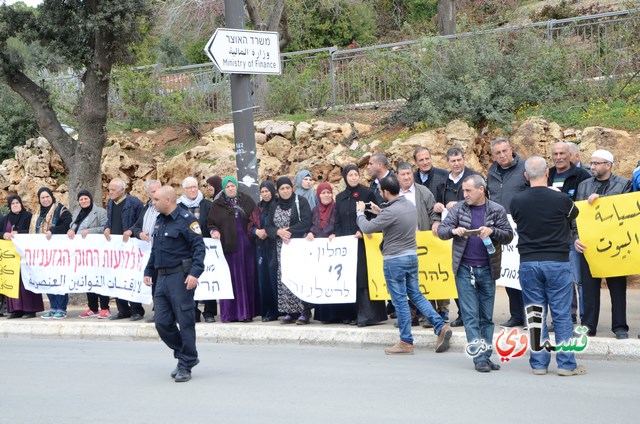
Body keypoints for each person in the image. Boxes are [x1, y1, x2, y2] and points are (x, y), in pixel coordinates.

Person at [356, 174, 452, 355]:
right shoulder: (408, 205)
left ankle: (406, 341)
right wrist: (380, 212)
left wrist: (360, 212)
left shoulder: (391, 211)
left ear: (385, 192)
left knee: (400, 301)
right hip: (411, 257)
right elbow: (393, 217)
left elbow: (367, 227)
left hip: (394, 260)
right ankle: (440, 326)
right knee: (416, 295)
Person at [510, 156, 585, 376]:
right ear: (547, 174)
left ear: (526, 176)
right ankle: (566, 364)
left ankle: (539, 364)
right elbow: (575, 214)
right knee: (561, 314)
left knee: (535, 314)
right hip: (557, 261)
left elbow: (516, 219)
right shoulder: (560, 199)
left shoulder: (517, 200)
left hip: (529, 262)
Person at [438, 175, 513, 372]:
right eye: (464, 191)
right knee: (471, 316)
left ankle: (485, 356)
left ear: (481, 189)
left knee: (486, 317)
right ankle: (478, 357)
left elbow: (508, 236)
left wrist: (492, 231)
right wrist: (454, 231)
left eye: (469, 191)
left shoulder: (496, 209)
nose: (465, 194)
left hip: (488, 269)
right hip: (464, 269)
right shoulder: (459, 208)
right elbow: (442, 231)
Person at [144, 186, 205, 383]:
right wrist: (148, 271)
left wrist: (195, 273)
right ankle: (186, 354)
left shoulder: (187, 220)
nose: (153, 203)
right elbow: (155, 250)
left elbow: (199, 248)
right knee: (162, 322)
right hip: (161, 278)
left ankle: (185, 363)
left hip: (180, 277)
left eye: (155, 200)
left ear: (168, 200)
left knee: (185, 321)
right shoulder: (160, 220)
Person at [575, 149, 633, 339]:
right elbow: (576, 216)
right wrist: (576, 238)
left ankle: (620, 327)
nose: (592, 166)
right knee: (589, 288)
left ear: (608, 165)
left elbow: (626, 211)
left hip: (616, 246)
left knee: (617, 288)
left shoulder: (625, 185)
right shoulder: (583, 186)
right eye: (591, 163)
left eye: (596, 163)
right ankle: (589, 326)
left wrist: (602, 202)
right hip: (589, 246)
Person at [334, 164, 387, 327]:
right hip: (347, 244)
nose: (353, 178)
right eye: (350, 175)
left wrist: (362, 231)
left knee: (363, 277)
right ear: (345, 178)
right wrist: (338, 237)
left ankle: (369, 315)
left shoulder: (367, 193)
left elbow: (377, 217)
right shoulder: (340, 197)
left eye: (356, 175)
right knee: (351, 277)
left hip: (364, 242)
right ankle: (352, 314)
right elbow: (338, 220)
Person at [434, 147, 481, 327]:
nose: (457, 163)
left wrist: (459, 203)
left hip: (471, 230)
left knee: (473, 275)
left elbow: (483, 200)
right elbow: (438, 204)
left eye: (459, 160)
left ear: (464, 159)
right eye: (453, 161)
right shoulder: (444, 182)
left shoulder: (473, 177)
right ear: (448, 162)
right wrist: (438, 209)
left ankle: (476, 314)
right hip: (451, 233)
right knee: (457, 275)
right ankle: (463, 312)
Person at [397, 161, 446, 326]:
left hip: (424, 242)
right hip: (403, 243)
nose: (406, 177)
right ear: (397, 177)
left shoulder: (423, 191)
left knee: (428, 278)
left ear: (413, 174)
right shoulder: (394, 194)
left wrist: (436, 222)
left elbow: (434, 211)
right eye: (403, 174)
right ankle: (410, 316)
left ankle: (431, 314)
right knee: (406, 280)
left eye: (409, 174)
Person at [486, 137, 528, 328]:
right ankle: (516, 314)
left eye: (505, 151)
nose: (502, 155)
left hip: (523, 227)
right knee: (509, 271)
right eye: (498, 153)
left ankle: (530, 315)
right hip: (501, 228)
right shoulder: (492, 171)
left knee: (525, 273)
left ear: (511, 149)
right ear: (493, 155)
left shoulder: (525, 168)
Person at [548, 141, 591, 325]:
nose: (559, 157)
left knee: (578, 279)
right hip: (552, 236)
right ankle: (568, 316)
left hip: (574, 234)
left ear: (570, 154)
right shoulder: (547, 174)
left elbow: (584, 204)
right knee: (560, 280)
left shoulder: (581, 175)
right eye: (555, 154)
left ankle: (586, 319)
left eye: (562, 153)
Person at [207, 176, 259, 323]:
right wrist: (214, 231)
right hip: (228, 247)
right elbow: (211, 223)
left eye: (232, 186)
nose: (230, 188)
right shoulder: (217, 205)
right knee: (230, 280)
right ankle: (230, 314)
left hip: (247, 247)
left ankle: (246, 313)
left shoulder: (246, 200)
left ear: (236, 186)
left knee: (246, 278)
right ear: (224, 188)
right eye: (228, 186)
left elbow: (255, 218)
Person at [265, 176, 312, 324]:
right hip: (281, 247)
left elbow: (306, 221)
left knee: (299, 276)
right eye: (282, 189)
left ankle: (304, 310)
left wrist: (289, 231)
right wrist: (278, 232)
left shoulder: (301, 202)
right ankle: (290, 311)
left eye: (287, 188)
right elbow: (268, 226)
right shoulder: (275, 205)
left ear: (292, 188)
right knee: (284, 277)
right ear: (278, 191)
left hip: (297, 245)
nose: (285, 191)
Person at [104, 178, 144, 321]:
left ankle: (136, 310)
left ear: (122, 190)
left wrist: (131, 231)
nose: (110, 192)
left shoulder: (135, 203)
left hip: (130, 248)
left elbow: (141, 221)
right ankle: (123, 309)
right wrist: (106, 228)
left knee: (130, 278)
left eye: (113, 190)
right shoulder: (110, 203)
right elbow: (109, 220)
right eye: (109, 189)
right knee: (117, 279)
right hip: (115, 248)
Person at [178, 177, 216, 323]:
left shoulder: (207, 205)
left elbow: (213, 223)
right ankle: (193, 311)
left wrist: (214, 232)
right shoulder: (179, 206)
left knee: (208, 279)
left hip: (207, 249)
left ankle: (210, 312)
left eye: (195, 187)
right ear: (184, 190)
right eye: (189, 188)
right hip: (186, 250)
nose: (193, 190)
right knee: (190, 280)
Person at [30, 187, 72, 319]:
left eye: (47, 196)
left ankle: (62, 308)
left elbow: (67, 224)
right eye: (42, 197)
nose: (45, 199)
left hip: (57, 253)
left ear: (51, 197)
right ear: (39, 199)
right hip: (42, 253)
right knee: (46, 280)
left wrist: (53, 230)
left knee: (58, 279)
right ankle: (53, 307)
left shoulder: (60, 210)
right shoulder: (37, 213)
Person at [124, 179, 162, 323]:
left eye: (158, 190)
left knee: (161, 283)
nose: (156, 193)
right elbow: (137, 226)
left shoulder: (166, 207)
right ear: (148, 193)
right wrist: (139, 233)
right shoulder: (146, 208)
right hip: (148, 252)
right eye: (153, 191)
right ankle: (157, 312)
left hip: (163, 251)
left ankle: (161, 312)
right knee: (153, 282)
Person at [67, 190, 109, 319]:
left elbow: (105, 227)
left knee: (99, 279)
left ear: (90, 199)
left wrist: (90, 231)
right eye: (81, 199)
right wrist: (70, 230)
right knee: (88, 279)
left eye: (86, 198)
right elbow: (73, 226)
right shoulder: (77, 212)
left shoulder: (100, 212)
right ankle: (92, 308)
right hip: (82, 253)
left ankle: (105, 308)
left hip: (97, 252)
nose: (83, 201)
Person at [1, 195, 43, 319]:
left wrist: (19, 233)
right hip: (10, 258)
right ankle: (16, 310)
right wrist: (4, 234)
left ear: (21, 204)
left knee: (26, 281)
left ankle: (30, 310)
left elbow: (33, 231)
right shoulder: (5, 219)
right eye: (13, 204)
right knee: (13, 282)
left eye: (17, 203)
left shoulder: (28, 216)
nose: (15, 205)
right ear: (9, 206)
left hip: (25, 256)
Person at [306, 182, 342, 324]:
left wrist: (336, 234)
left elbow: (340, 224)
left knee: (335, 282)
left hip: (334, 251)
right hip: (320, 252)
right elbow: (313, 227)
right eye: (323, 193)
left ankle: (337, 314)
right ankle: (324, 315)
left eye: (328, 192)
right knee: (323, 282)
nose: (326, 195)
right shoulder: (315, 210)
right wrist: (310, 233)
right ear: (318, 195)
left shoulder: (337, 208)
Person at [248, 181, 279, 322]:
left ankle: (281, 310)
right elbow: (250, 226)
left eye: (267, 191)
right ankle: (268, 311)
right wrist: (256, 231)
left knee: (276, 279)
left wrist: (269, 231)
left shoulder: (279, 205)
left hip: (276, 246)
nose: (265, 194)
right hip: (261, 247)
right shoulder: (258, 208)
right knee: (264, 279)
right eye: (263, 192)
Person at [413, 147, 449, 211]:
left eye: (427, 158)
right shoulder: (411, 179)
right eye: (421, 160)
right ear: (416, 163)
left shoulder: (444, 175)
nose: (425, 162)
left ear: (431, 158)